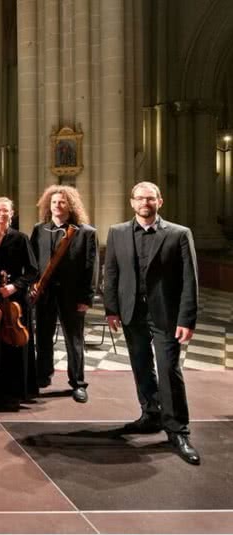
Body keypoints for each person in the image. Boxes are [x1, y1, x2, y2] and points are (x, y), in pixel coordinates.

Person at [104, 181, 200, 465]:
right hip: (131, 312)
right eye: (140, 198)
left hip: (166, 314)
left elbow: (190, 279)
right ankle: (151, 413)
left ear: (160, 201)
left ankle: (178, 430)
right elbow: (111, 272)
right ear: (132, 202)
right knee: (141, 364)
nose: (145, 203)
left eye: (150, 198)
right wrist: (111, 309)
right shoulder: (117, 232)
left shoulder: (179, 234)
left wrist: (187, 318)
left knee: (169, 368)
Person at [30, 185, 98, 402]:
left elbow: (91, 268)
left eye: (62, 202)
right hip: (45, 294)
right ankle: (43, 376)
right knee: (43, 337)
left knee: (74, 340)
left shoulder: (86, 232)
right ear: (48, 205)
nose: (57, 205)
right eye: (53, 202)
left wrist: (86, 298)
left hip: (72, 295)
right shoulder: (39, 230)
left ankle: (78, 382)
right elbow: (32, 262)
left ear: (71, 205)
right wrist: (32, 285)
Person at [0, 197, 39, 404]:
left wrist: (13, 286)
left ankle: (15, 391)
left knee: (14, 345)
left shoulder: (21, 238)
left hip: (15, 301)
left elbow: (33, 271)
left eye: (5, 211)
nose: (1, 214)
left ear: (12, 214)